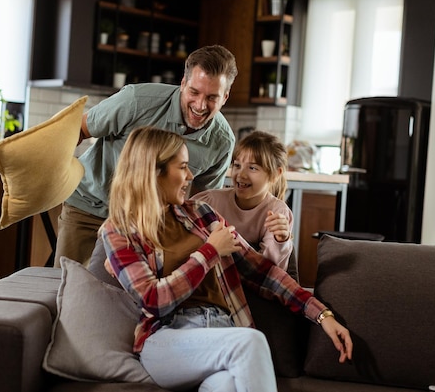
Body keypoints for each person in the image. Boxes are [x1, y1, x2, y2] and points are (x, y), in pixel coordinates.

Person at [100, 126, 353, 392]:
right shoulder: (118, 230)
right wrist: (209, 252)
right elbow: (153, 300)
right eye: (183, 167)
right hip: (167, 339)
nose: (190, 175)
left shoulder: (201, 213)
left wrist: (323, 315)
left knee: (228, 386)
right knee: (250, 341)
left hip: (222, 329)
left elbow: (263, 273)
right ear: (153, 172)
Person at [54, 45, 238, 267]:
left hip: (146, 229)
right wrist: (54, 178)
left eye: (212, 97)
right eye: (194, 92)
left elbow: (201, 202)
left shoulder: (222, 142)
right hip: (90, 210)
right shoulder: (136, 100)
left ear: (225, 97)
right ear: (182, 84)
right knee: (70, 290)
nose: (200, 105)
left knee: (126, 299)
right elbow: (80, 129)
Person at [191, 130, 296, 276]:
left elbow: (270, 272)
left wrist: (281, 240)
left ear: (275, 174)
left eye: (252, 168)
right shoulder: (210, 201)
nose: (241, 175)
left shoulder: (277, 213)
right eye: (237, 165)